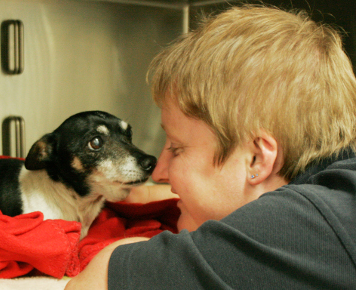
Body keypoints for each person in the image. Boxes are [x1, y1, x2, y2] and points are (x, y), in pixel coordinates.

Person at [66, 4, 356, 289]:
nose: (161, 170)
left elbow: (94, 282)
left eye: (177, 148)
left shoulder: (298, 228)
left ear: (256, 159)